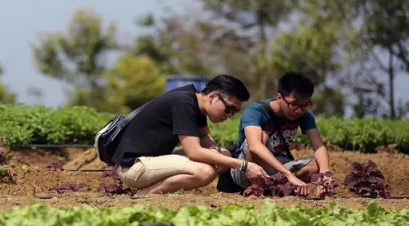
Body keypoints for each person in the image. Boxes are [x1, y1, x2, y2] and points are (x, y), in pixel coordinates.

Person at [111, 75, 268, 195]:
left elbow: (205, 137)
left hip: (149, 161)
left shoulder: (195, 102)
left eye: (235, 112)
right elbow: (194, 152)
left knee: (223, 154)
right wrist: (243, 165)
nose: (230, 115)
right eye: (229, 109)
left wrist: (216, 151)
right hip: (133, 167)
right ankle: (144, 195)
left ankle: (147, 190)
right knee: (205, 171)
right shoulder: (184, 103)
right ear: (213, 96)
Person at [230, 71, 332, 196]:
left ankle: (277, 188)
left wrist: (324, 175)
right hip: (246, 169)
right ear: (279, 97)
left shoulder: (304, 115)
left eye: (305, 105)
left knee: (318, 164)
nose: (299, 110)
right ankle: (255, 188)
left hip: (279, 167)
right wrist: (288, 174)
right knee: (262, 136)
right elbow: (254, 146)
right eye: (293, 104)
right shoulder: (255, 111)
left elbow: (318, 146)